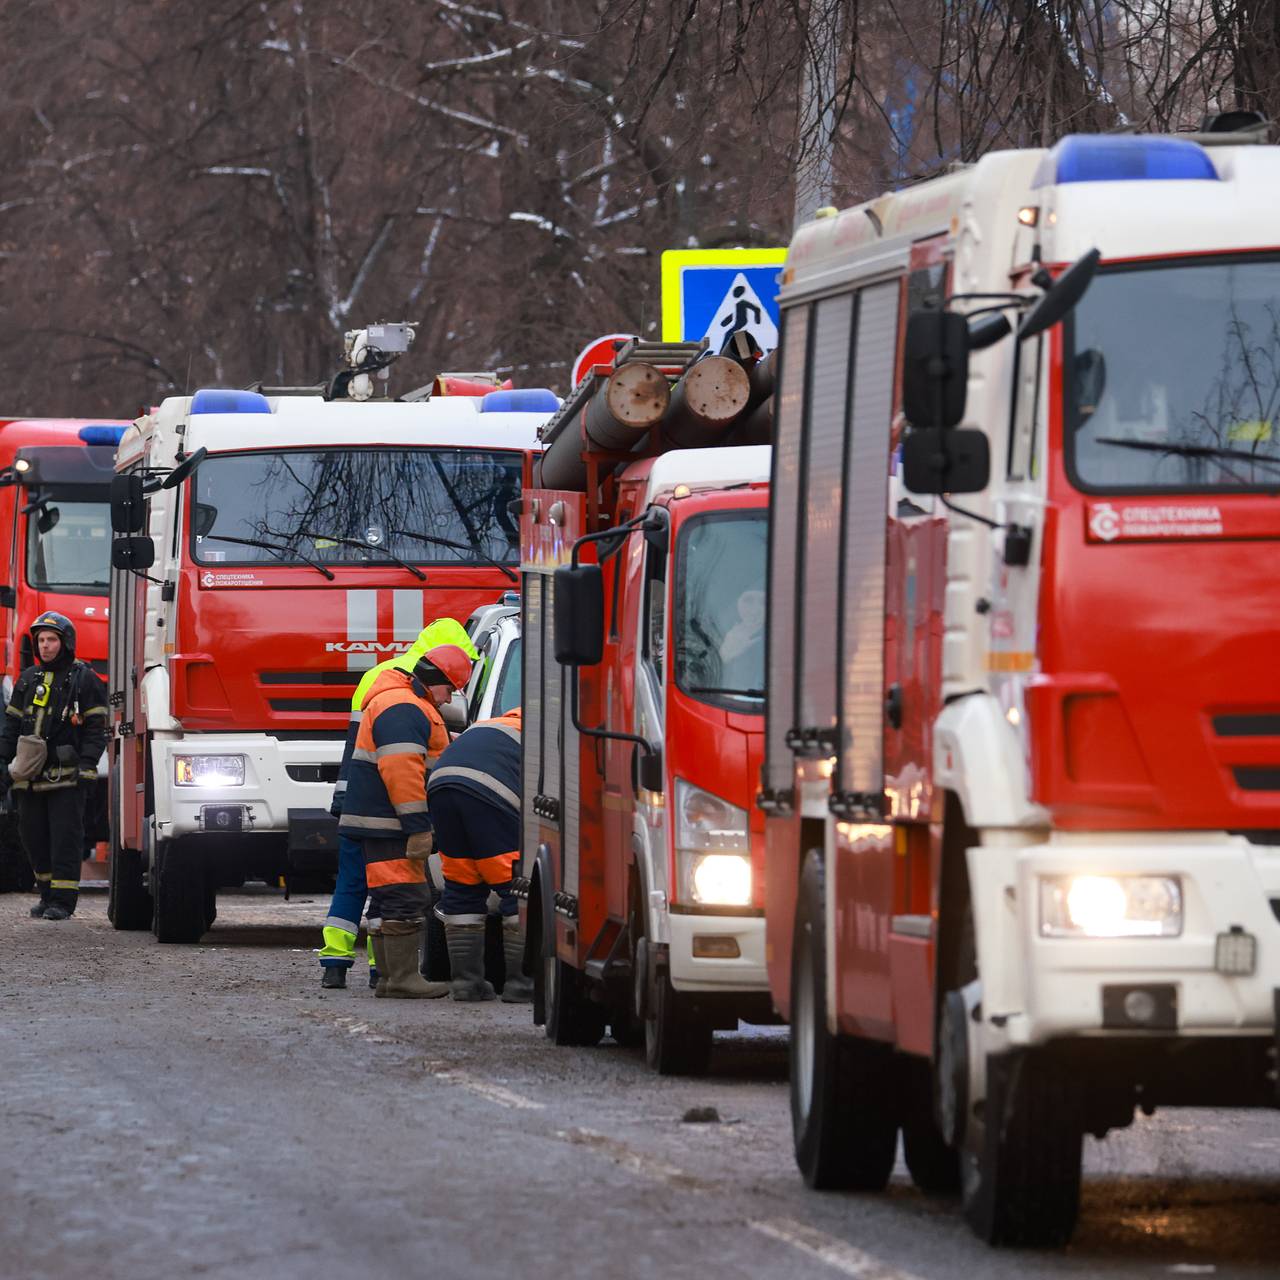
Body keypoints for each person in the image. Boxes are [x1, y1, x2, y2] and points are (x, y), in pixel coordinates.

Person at [319, 618, 478, 990]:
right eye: (450, 689)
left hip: (360, 805)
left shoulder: (383, 680)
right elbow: (402, 769)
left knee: (366, 888)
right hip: (387, 817)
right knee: (400, 894)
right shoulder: (406, 704)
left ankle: (353, 967)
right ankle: (393, 975)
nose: (450, 698)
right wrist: (418, 824)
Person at [0, 613, 109, 920]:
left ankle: (63, 901)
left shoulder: (83, 678)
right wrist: (3, 763)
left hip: (66, 777)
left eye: (52, 640)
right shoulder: (27, 678)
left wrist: (88, 766)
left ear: (66, 642)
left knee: (65, 839)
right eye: (41, 640)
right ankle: (47, 895)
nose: (45, 646)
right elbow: (11, 727)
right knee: (33, 838)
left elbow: (95, 728)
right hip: (29, 776)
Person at [427, 706, 531, 1003]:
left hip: (440, 785)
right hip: (488, 790)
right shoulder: (544, 734)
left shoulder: (490, 725)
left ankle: (466, 984)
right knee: (516, 887)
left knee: (462, 883)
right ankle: (520, 985)